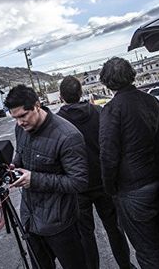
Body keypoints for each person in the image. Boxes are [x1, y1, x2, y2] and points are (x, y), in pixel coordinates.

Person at [4, 84, 89, 269]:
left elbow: (79, 182)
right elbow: (21, 154)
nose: (19, 122)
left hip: (60, 224)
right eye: (14, 117)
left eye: (22, 116)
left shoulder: (68, 136)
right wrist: (13, 167)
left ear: (36, 105)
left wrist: (34, 179)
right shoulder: (21, 129)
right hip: (30, 220)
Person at [99, 57, 159, 269]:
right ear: (132, 75)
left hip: (134, 189)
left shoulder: (112, 110)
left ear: (106, 82)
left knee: (148, 251)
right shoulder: (151, 101)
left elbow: (108, 155)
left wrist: (110, 188)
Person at [57, 76, 131, 269]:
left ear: (61, 96)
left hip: (77, 186)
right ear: (81, 92)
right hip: (104, 181)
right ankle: (126, 265)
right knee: (115, 228)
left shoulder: (57, 122)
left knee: (85, 234)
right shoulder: (98, 112)